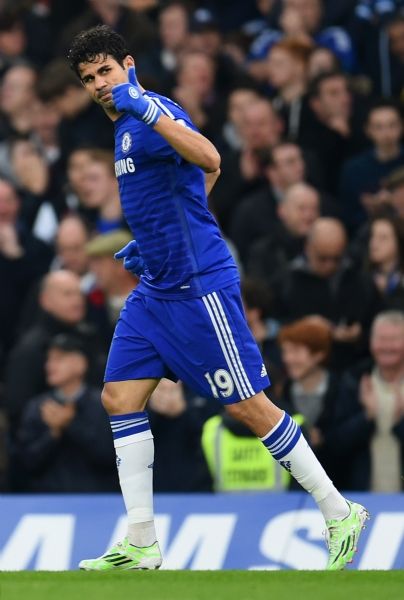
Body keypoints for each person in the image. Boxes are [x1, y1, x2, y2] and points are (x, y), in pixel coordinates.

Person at [67, 24, 368, 572]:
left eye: (105, 71)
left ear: (129, 65)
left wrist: (146, 108)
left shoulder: (151, 112)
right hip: (156, 289)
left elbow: (209, 156)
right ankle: (141, 541)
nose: (100, 84)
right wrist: (152, 241)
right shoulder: (127, 127)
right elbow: (198, 181)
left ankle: (338, 509)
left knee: (248, 406)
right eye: (89, 79)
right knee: (118, 397)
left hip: (198, 285)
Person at [16, 333, 119, 493]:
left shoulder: (103, 404)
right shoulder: (38, 407)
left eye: (59, 359)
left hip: (95, 498)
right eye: (49, 359)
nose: (50, 365)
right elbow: (26, 462)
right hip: (47, 499)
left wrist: (70, 424)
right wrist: (53, 434)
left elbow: (109, 456)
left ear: (80, 364)